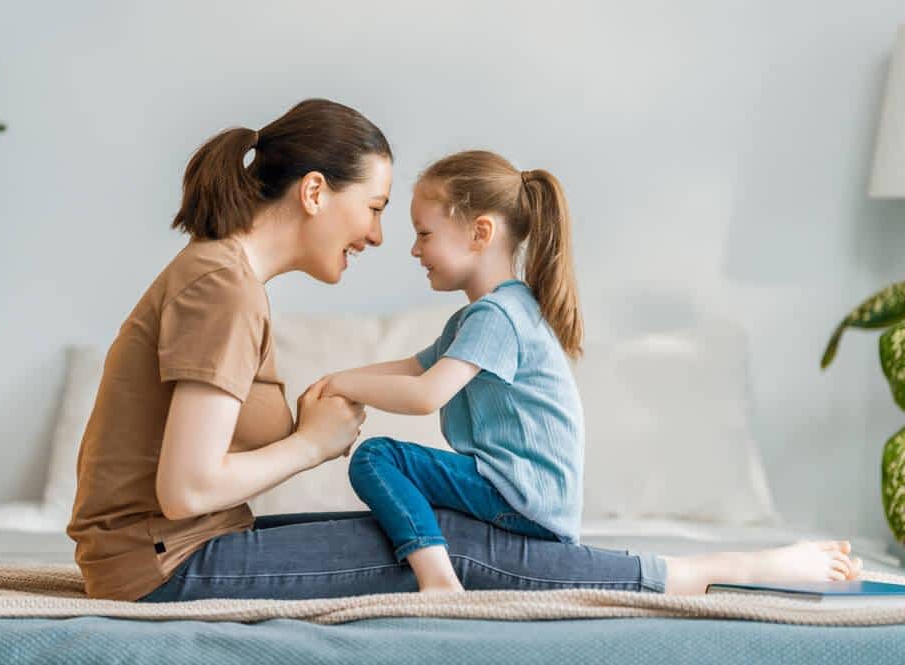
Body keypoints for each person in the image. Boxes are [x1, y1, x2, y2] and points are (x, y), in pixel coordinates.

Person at [66, 99, 861, 603]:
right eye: (375, 206)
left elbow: (417, 381)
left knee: (423, 522)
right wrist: (313, 443)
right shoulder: (223, 285)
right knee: (465, 544)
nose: (382, 235)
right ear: (314, 192)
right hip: (167, 563)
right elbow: (186, 487)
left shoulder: (225, 279)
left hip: (176, 549)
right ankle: (717, 570)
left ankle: (713, 566)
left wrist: (330, 412)